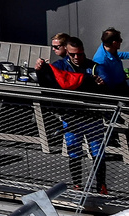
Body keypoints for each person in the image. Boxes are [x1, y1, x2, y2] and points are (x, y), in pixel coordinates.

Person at [37, 37, 109, 193]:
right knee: (74, 151)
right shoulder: (59, 66)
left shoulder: (94, 67)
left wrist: (102, 84)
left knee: (97, 152)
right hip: (71, 118)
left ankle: (101, 186)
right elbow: (47, 82)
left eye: (80, 54)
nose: (77, 58)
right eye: (73, 55)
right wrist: (40, 70)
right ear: (66, 52)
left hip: (92, 117)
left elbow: (106, 82)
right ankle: (77, 185)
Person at [95, 28, 129, 95]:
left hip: (122, 81)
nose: (121, 42)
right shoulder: (101, 61)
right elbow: (108, 83)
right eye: (120, 40)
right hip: (118, 90)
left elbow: (118, 55)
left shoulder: (108, 49)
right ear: (114, 43)